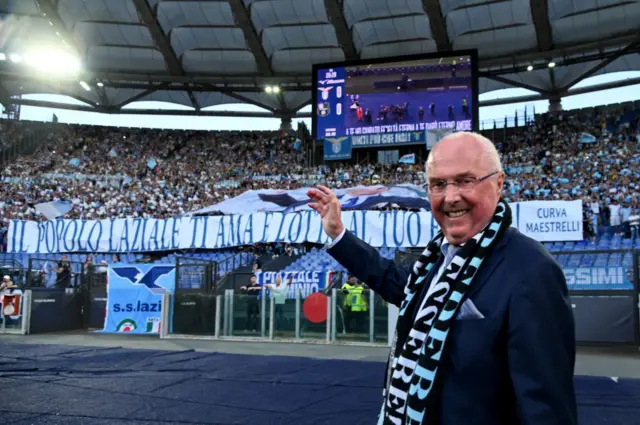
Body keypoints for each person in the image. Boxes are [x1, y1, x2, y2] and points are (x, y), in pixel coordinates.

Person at [307, 131, 577, 425]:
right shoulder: (437, 259)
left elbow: (545, 409)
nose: (450, 197)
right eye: (438, 185)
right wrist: (337, 234)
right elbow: (394, 280)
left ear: (498, 184)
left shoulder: (532, 270)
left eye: (465, 180)